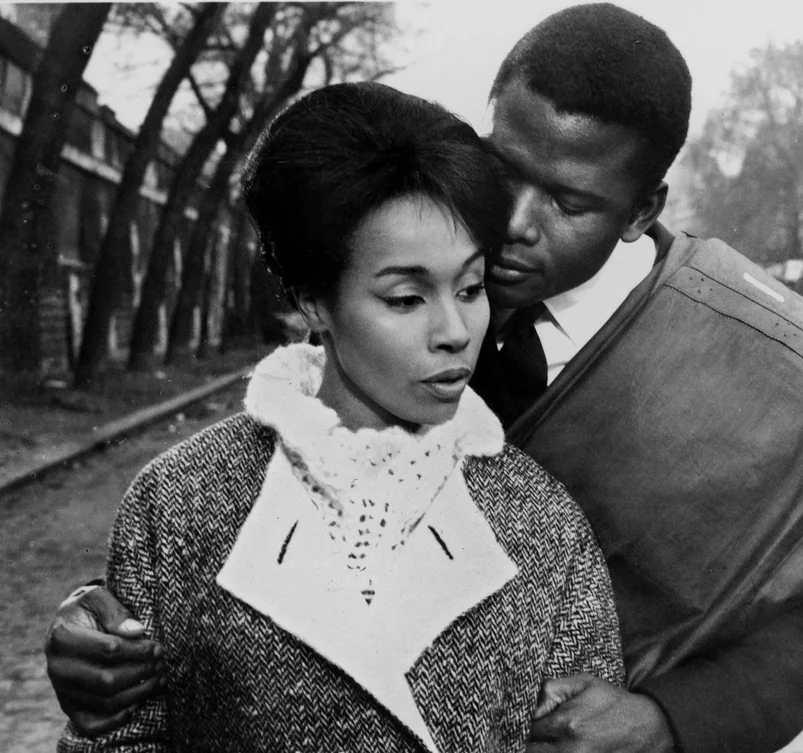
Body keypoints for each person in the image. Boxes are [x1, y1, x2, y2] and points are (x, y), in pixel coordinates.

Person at [45, 5, 803, 753]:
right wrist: (112, 631)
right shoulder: (413, 235)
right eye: (503, 166)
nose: (510, 221)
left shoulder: (747, 368)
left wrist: (672, 721)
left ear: (642, 210)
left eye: (568, 202)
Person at [55, 81, 624, 752]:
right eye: (407, 297)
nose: (454, 330)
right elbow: (117, 740)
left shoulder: (540, 519)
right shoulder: (179, 501)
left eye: (470, 288)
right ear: (313, 300)